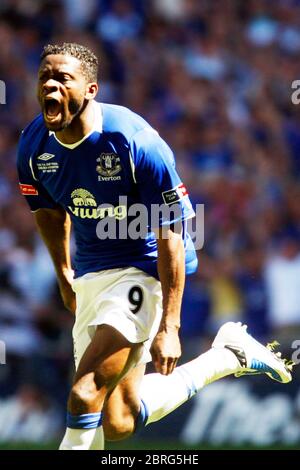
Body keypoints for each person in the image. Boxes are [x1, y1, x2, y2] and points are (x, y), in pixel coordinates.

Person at [17, 43, 292, 451]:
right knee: (119, 418)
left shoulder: (136, 142)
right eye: (45, 79)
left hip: (143, 269)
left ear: (91, 89)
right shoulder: (33, 146)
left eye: (63, 79)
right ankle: (227, 357)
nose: (52, 87)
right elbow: (49, 212)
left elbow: (172, 231)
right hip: (92, 270)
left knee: (84, 392)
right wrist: (64, 273)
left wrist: (170, 326)